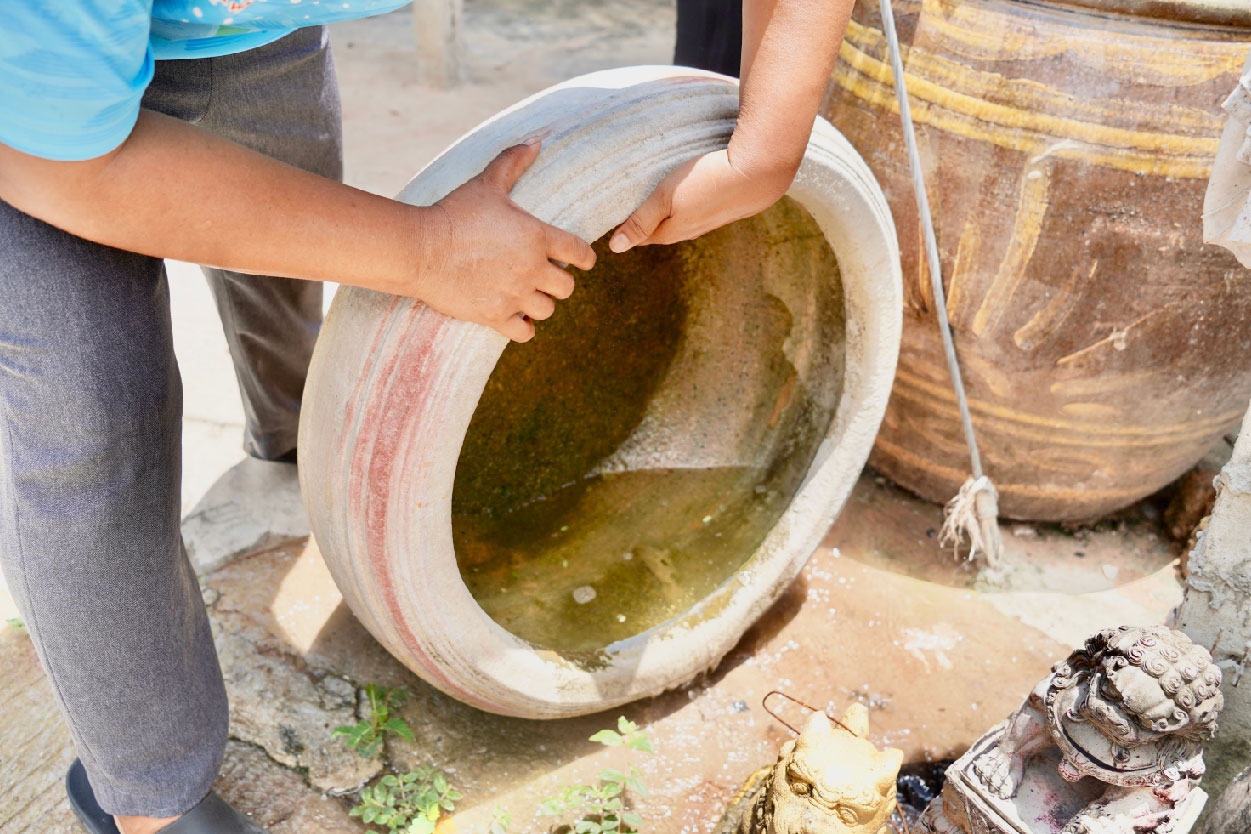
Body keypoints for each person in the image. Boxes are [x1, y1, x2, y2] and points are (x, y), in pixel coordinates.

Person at [0, 0, 854, 832]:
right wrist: (427, 250)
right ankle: (150, 788)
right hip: (23, 111)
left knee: (290, 242)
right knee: (93, 425)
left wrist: (768, 148)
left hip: (250, 34)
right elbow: (57, 165)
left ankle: (289, 427)